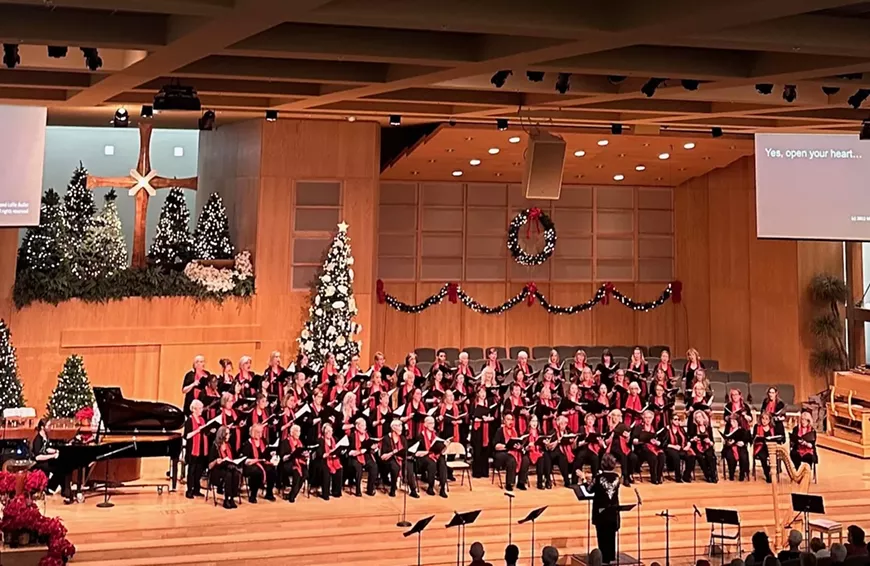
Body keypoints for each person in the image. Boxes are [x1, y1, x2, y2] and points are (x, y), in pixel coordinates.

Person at [31, 419, 73, 503]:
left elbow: (46, 449)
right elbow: (38, 457)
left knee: (65, 466)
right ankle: (63, 491)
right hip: (40, 463)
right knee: (61, 468)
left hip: (47, 460)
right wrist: (52, 456)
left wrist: (56, 451)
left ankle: (63, 490)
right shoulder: (38, 440)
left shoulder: (45, 436)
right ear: (42, 427)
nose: (50, 427)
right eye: (49, 426)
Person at [589, 455, 622, 564]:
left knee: (602, 537)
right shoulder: (617, 477)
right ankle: (611, 557)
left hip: (601, 513)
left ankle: (603, 560)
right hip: (613, 512)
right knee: (611, 537)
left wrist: (584, 478)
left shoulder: (598, 478)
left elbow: (590, 489)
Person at [381, 419, 419, 498]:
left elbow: (405, 450)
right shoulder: (386, 438)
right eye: (399, 426)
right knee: (395, 466)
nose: (401, 428)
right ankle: (393, 488)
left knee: (409, 465)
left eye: (401, 426)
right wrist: (393, 452)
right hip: (389, 459)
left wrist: (409, 454)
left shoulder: (402, 438)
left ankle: (413, 490)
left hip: (401, 457)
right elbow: (383, 456)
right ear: (393, 428)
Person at [493, 413, 530, 491]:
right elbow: (496, 446)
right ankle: (509, 483)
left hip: (515, 451)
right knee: (511, 459)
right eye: (508, 419)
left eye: (512, 419)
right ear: (504, 421)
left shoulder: (515, 430)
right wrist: (507, 446)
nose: (510, 421)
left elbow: (520, 442)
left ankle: (521, 482)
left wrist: (519, 446)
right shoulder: (499, 430)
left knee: (525, 459)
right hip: (501, 453)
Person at [414, 415, 449, 497]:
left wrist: (445, 446)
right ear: (425, 424)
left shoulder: (436, 434)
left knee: (442, 461)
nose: (432, 425)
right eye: (430, 423)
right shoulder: (420, 436)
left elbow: (441, 449)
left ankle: (442, 487)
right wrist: (427, 452)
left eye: (433, 423)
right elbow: (416, 453)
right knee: (431, 463)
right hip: (423, 458)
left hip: (435, 454)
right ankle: (430, 487)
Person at [208, 426, 241, 509]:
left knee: (236, 473)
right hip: (217, 470)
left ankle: (232, 498)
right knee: (228, 475)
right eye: (227, 434)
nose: (229, 435)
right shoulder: (215, 446)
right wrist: (216, 461)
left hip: (227, 467)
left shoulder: (229, 445)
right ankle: (227, 499)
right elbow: (210, 466)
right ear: (222, 435)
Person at [242, 423, 277, 503]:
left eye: (261, 432)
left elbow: (266, 455)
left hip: (261, 463)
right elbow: (246, 460)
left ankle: (269, 493)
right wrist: (256, 460)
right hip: (251, 465)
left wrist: (271, 454)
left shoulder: (263, 441)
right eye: (258, 432)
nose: (260, 434)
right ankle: (253, 495)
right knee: (257, 472)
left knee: (272, 470)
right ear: (253, 432)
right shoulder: (248, 443)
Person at [183, 399, 210, 499]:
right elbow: (187, 436)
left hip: (202, 449)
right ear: (194, 409)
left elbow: (205, 432)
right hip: (193, 449)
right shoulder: (189, 421)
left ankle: (196, 489)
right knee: (192, 470)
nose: (202, 410)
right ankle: (189, 490)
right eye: (200, 408)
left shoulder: (202, 420)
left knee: (199, 470)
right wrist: (197, 430)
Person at [632, 409, 665, 484]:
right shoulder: (639, 427)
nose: (648, 419)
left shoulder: (655, 428)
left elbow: (660, 441)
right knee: (652, 456)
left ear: (652, 418)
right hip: (641, 448)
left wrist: (657, 442)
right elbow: (633, 440)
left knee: (662, 456)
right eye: (646, 417)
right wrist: (637, 440)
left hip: (654, 447)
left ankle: (659, 477)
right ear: (643, 418)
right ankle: (654, 477)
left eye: (650, 418)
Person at [348, 417, 378, 497]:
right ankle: (358, 490)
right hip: (355, 457)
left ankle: (370, 489)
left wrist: (374, 448)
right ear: (357, 427)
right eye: (362, 425)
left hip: (366, 455)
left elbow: (370, 448)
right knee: (358, 468)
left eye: (365, 425)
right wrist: (359, 452)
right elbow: (349, 452)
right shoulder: (352, 436)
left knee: (374, 466)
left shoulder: (368, 435)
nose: (364, 427)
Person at [278, 424, 307, 503]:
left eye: (299, 431)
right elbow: (283, 458)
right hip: (288, 464)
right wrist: (291, 455)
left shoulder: (300, 443)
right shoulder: (285, 442)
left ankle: (293, 493)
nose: (299, 433)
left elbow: (302, 454)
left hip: (298, 463)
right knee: (297, 473)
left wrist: (305, 455)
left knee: (305, 474)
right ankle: (292, 497)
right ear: (292, 433)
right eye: (297, 431)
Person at [470, 386, 495, 478]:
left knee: (485, 450)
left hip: (486, 428)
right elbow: (471, 416)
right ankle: (477, 472)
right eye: (481, 392)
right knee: (477, 450)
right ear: (477, 394)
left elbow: (493, 416)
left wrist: (489, 418)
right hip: (477, 429)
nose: (483, 394)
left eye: (484, 392)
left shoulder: (489, 403)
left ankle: (485, 471)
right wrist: (477, 418)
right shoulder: (474, 404)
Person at [315, 423, 343, 501]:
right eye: (327, 431)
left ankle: (336, 492)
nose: (329, 433)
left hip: (333, 459)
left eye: (330, 431)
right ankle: (325, 494)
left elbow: (338, 450)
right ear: (324, 432)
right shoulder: (320, 440)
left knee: (339, 468)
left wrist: (337, 452)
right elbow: (320, 455)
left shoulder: (335, 439)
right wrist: (329, 453)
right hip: (322, 461)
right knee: (325, 470)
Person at [664, 413, 694, 483]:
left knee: (691, 456)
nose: (677, 421)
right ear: (671, 420)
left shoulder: (682, 429)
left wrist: (688, 445)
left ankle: (686, 476)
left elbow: (688, 439)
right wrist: (674, 446)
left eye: (678, 419)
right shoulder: (667, 430)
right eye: (675, 419)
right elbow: (664, 444)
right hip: (670, 448)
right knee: (676, 457)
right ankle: (678, 477)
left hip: (681, 448)